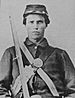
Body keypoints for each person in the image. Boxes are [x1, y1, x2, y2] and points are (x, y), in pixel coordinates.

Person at [0, 4, 75, 98]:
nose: (35, 26)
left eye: (40, 22)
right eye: (31, 22)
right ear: (25, 24)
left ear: (46, 25)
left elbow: (73, 91)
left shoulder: (60, 55)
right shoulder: (11, 53)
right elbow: (0, 89)